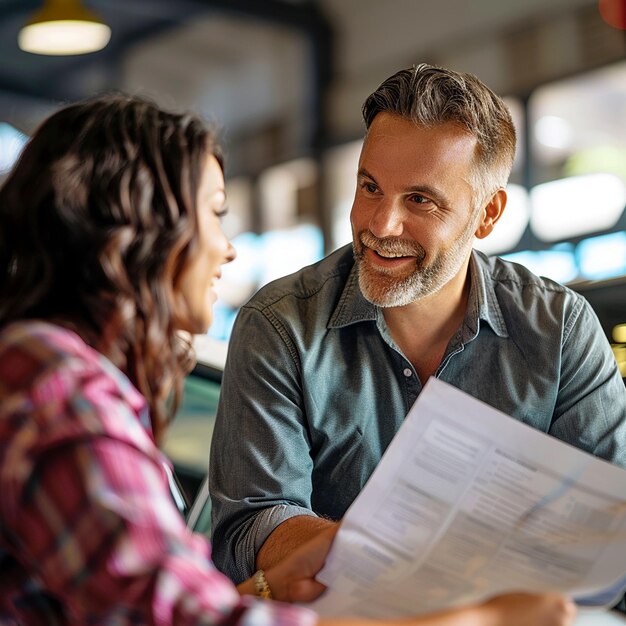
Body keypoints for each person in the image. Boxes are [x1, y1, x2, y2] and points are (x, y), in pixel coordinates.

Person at [0, 95, 575, 626]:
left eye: (420, 198)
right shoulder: (58, 388)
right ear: (134, 230)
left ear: (487, 214)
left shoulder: (49, 371)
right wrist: (479, 620)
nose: (226, 247)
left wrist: (264, 589)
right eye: (215, 212)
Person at [209, 62, 626, 588]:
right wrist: (405, 562)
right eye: (370, 187)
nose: (381, 225)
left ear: (488, 214)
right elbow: (253, 523)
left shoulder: (560, 331)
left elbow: (606, 537)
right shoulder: (280, 326)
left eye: (420, 200)